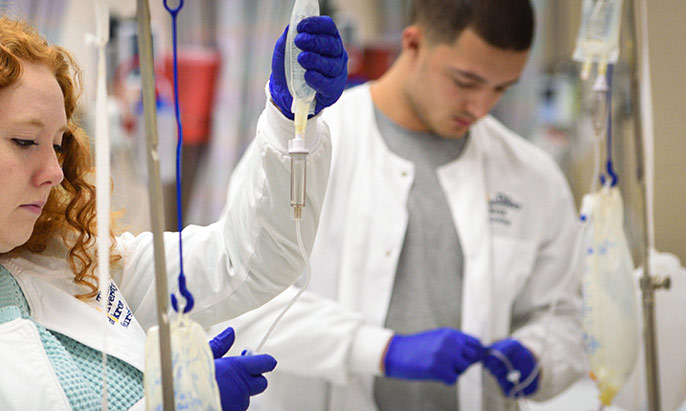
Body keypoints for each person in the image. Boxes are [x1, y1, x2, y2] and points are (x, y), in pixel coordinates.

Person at [0, 12, 347, 410]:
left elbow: (249, 261)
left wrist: (286, 117)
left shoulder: (67, 268)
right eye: (26, 142)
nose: (54, 171)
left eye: (57, 144)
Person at [215, 1, 586, 410]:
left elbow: (565, 317)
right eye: (466, 81)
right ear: (413, 43)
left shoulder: (532, 176)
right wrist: (380, 350)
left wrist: (537, 356)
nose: (480, 107)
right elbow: (241, 300)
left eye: (501, 88)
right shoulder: (305, 146)